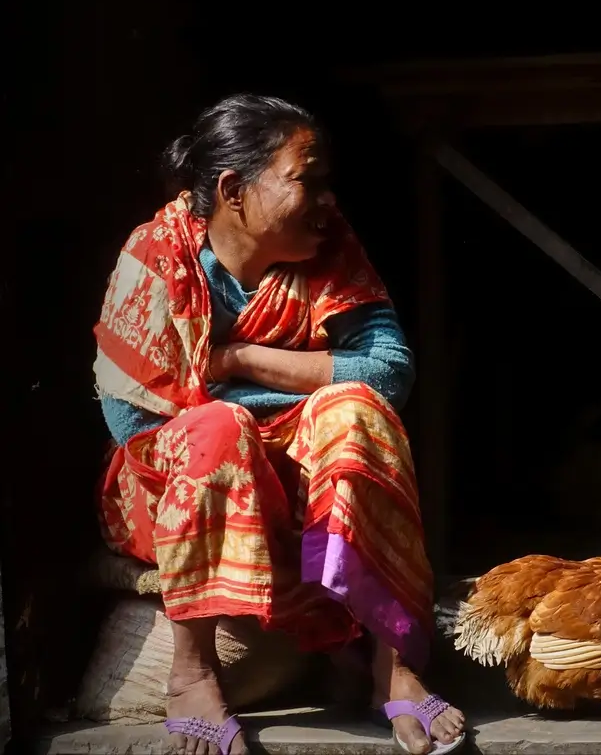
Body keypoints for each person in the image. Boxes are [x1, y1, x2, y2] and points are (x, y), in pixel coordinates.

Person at [93, 94, 466, 755]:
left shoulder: (331, 250)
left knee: (355, 413)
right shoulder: (158, 256)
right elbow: (135, 424)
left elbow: (388, 374)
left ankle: (391, 663)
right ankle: (192, 673)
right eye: (308, 180)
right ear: (234, 190)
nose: (327, 200)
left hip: (303, 480)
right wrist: (252, 414)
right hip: (173, 491)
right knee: (216, 430)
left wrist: (238, 360)